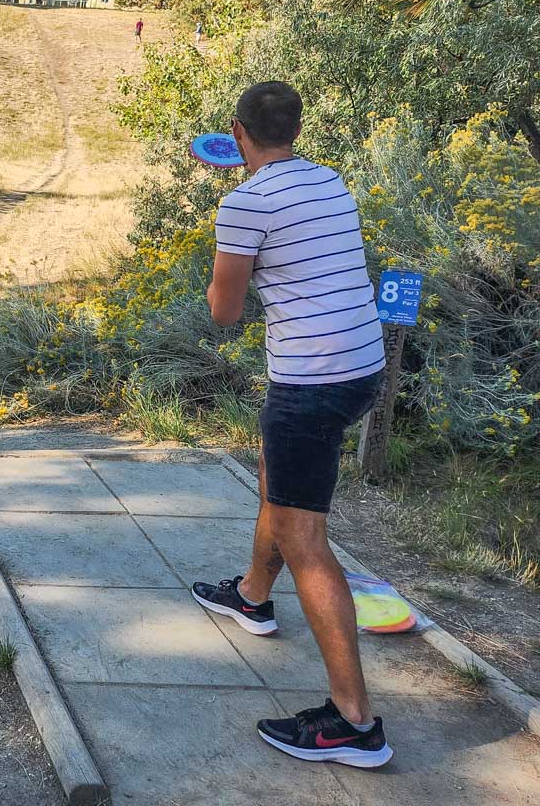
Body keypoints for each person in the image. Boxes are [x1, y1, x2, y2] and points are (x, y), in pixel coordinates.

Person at [192, 80, 393, 770]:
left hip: (312, 381)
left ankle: (354, 722)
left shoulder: (243, 202)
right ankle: (252, 597)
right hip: (363, 367)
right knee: (280, 484)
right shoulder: (329, 179)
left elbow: (223, 312)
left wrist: (231, 217)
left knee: (304, 537)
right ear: (296, 130)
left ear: (237, 131)